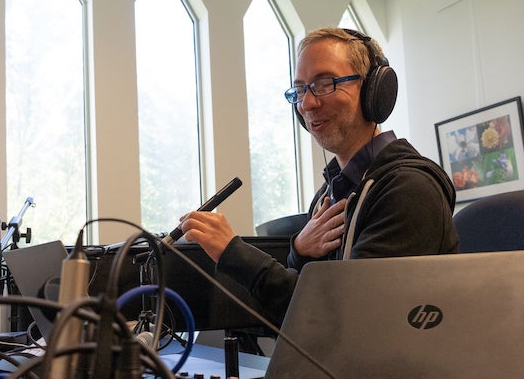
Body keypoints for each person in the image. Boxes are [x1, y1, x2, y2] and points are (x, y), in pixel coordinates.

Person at [177, 27, 459, 326]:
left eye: (325, 84)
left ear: (374, 90)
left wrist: (233, 253)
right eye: (300, 90)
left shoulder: (408, 189)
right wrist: (299, 252)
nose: (307, 104)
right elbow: (302, 300)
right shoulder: (330, 195)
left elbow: (345, 321)